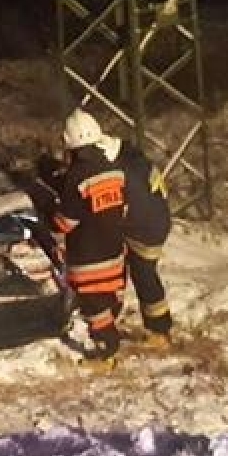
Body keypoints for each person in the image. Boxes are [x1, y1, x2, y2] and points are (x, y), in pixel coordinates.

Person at [46, 109, 173, 357]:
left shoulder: (107, 169)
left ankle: (160, 331)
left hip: (146, 226)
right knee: (127, 269)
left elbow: (92, 208)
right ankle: (126, 313)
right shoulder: (122, 156)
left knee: (143, 272)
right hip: (153, 215)